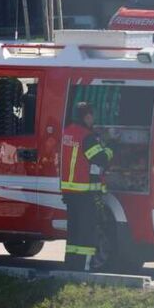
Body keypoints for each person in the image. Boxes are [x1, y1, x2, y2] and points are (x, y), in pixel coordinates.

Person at [60, 101, 113, 270]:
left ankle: (71, 265)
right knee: (86, 231)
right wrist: (110, 147)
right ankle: (84, 267)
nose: (93, 119)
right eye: (92, 116)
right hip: (84, 192)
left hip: (69, 192)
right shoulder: (87, 137)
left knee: (74, 231)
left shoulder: (67, 132)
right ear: (86, 116)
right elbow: (100, 159)